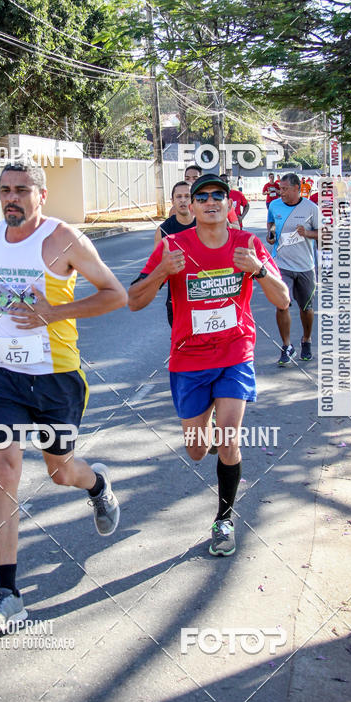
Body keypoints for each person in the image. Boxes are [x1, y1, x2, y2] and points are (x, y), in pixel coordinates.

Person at [0, 162, 127, 633]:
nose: (11, 198)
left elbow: (115, 295)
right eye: (5, 190)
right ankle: (9, 594)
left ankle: (96, 485)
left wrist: (57, 312)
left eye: (21, 191)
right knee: (5, 467)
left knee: (60, 472)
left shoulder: (64, 239)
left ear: (41, 195)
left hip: (56, 377)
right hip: (2, 376)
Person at [128, 173, 288, 557]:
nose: (211, 201)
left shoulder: (247, 244)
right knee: (198, 450)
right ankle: (210, 429)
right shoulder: (172, 246)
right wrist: (163, 272)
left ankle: (224, 519)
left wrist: (259, 270)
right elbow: (133, 300)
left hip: (235, 352)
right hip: (189, 359)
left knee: (229, 439)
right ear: (190, 205)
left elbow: (283, 300)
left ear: (230, 204)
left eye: (220, 195)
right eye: (203, 196)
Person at [266, 172, 322, 365]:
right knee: (282, 304)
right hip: (281, 264)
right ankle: (286, 345)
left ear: (297, 188)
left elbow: (324, 233)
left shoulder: (311, 208)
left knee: (306, 308)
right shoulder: (274, 205)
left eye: (285, 189)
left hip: (305, 266)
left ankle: (306, 340)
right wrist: (271, 234)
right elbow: (271, 224)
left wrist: (306, 233)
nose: (280, 192)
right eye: (280, 189)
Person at [154, 181, 196, 325]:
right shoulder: (163, 230)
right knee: (182, 345)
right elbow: (156, 269)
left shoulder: (206, 224)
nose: (183, 200)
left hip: (207, 296)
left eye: (187, 196)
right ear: (172, 201)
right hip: (177, 300)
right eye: (179, 197)